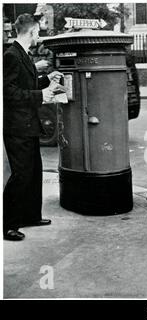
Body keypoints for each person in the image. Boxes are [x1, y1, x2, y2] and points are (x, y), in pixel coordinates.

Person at [3, 13, 64, 241]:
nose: (40, 35)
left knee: (33, 172)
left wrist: (48, 79)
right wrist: (42, 95)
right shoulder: (11, 56)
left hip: (27, 125)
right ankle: (8, 224)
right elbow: (8, 93)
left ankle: (30, 216)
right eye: (38, 31)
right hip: (17, 127)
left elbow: (27, 83)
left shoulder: (23, 55)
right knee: (20, 176)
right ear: (31, 32)